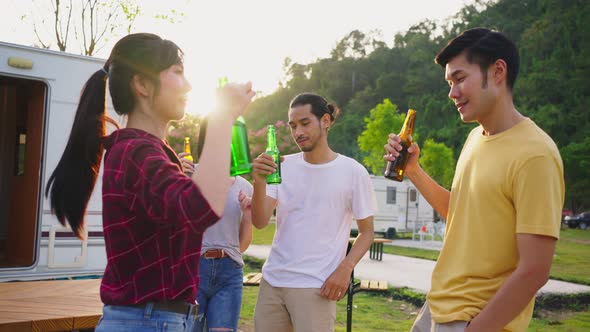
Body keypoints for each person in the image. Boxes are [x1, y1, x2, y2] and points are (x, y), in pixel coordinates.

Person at [45, 33, 255, 331]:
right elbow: (199, 208)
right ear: (142, 84)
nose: (189, 85)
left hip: (154, 320)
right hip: (147, 321)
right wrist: (223, 117)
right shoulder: (136, 152)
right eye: (178, 72)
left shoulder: (145, 152)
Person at [383, 28, 565, 331]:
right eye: (449, 83)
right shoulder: (475, 138)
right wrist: (414, 170)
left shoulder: (535, 155)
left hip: (473, 318)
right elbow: (461, 213)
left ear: (497, 72)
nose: (452, 92)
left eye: (460, 79)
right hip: (439, 306)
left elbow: (535, 269)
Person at [251, 93, 377, 331]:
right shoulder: (282, 166)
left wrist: (344, 270)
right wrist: (258, 181)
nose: (298, 132)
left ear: (326, 121)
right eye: (293, 126)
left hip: (316, 286)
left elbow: (367, 232)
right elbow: (259, 221)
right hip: (272, 282)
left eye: (305, 123)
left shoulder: (353, 171)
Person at [177, 156, 253, 332]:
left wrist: (247, 215)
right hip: (193, 269)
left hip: (229, 272)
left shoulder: (244, 186)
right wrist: (176, 175)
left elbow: (241, 246)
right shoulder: (187, 174)